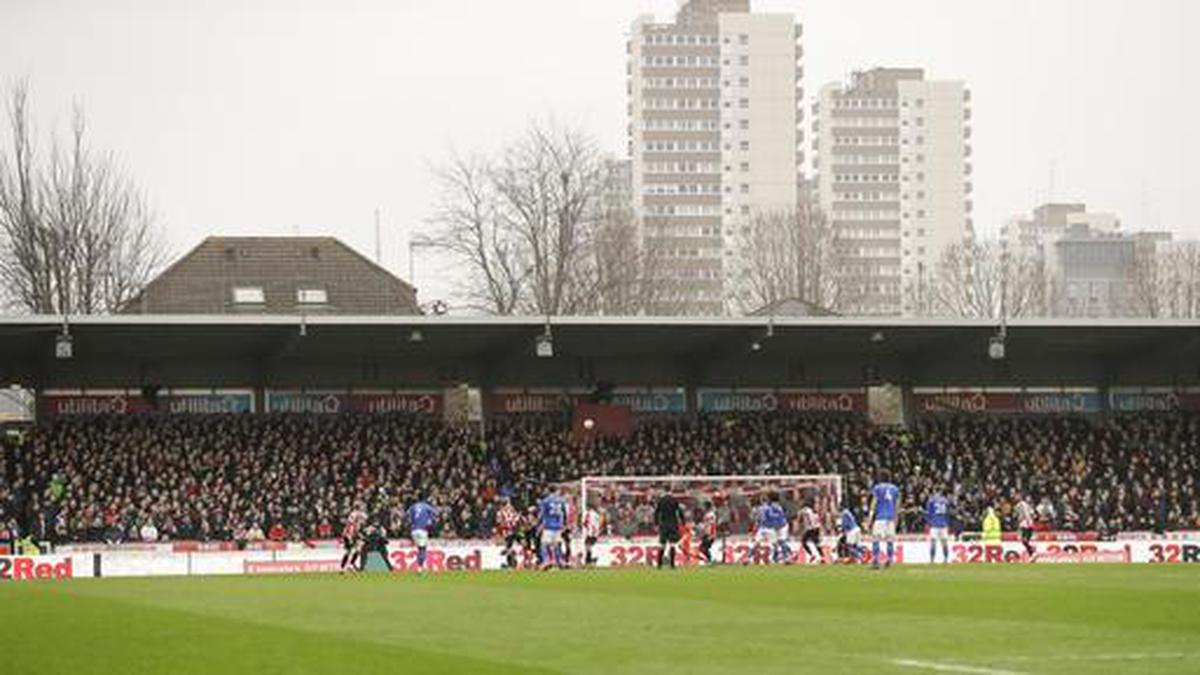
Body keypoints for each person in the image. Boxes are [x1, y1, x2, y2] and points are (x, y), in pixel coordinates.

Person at [869, 470, 900, 569]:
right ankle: (889, 561)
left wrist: (870, 518)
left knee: (875, 540)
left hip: (880, 518)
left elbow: (874, 503)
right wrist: (896, 519)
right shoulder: (895, 489)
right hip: (890, 518)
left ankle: (876, 561)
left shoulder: (877, 488)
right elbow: (897, 506)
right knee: (890, 541)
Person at [537, 488, 568, 570]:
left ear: (548, 491)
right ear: (556, 491)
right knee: (557, 544)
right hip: (558, 526)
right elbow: (564, 513)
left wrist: (538, 524)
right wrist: (564, 524)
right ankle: (560, 561)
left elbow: (542, 514)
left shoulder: (546, 501)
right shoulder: (561, 501)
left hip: (548, 526)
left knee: (544, 544)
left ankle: (546, 561)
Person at [654, 489, 685, 569]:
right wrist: (683, 522)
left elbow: (657, 512)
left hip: (664, 525)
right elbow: (680, 511)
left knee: (662, 545)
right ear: (671, 491)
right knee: (672, 544)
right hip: (673, 524)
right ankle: (672, 564)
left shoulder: (661, 500)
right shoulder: (674, 500)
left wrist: (656, 523)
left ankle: (659, 564)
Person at [407, 497, 439, 573]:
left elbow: (406, 515)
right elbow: (436, 513)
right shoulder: (426, 506)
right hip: (422, 530)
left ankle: (421, 566)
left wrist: (412, 521)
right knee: (423, 549)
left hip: (413, 530)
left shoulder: (413, 506)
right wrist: (430, 519)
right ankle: (420, 568)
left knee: (419, 549)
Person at [925, 489, 952, 564]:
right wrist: (947, 523)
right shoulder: (945, 500)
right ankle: (946, 559)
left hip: (934, 524)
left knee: (933, 542)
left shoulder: (931, 500)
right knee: (944, 542)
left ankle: (932, 560)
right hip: (943, 524)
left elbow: (928, 513)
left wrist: (928, 522)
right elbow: (948, 513)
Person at [340, 505, 367, 573]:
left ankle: (348, 566)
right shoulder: (355, 515)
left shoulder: (357, 515)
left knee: (357, 550)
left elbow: (357, 524)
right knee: (349, 551)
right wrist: (349, 536)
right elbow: (350, 525)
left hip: (352, 534)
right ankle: (344, 567)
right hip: (350, 534)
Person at [496, 498, 522, 569]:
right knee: (518, 545)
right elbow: (517, 519)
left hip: (507, 532)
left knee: (509, 546)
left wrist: (499, 534)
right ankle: (513, 562)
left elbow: (499, 523)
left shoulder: (500, 512)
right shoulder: (512, 510)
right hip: (514, 531)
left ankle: (512, 562)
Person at [750, 495, 776, 565]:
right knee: (773, 544)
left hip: (761, 528)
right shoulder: (769, 508)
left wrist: (754, 529)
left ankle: (750, 558)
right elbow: (771, 517)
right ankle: (771, 559)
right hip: (769, 528)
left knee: (756, 543)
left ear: (761, 501)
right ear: (767, 501)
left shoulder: (759, 509)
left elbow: (757, 520)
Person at [1014, 495, 1037, 559]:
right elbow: (1033, 514)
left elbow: (1026, 514)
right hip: (1026, 523)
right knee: (1025, 540)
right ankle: (1032, 553)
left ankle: (1032, 552)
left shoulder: (1021, 505)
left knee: (1024, 540)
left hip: (1025, 523)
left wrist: (1028, 522)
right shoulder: (1025, 505)